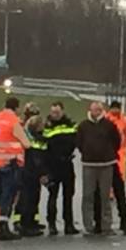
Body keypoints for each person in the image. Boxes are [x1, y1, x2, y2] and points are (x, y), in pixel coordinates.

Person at [0, 96, 30, 241]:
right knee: (9, 195)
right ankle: (4, 226)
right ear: (16, 107)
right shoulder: (13, 121)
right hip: (10, 163)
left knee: (0, 195)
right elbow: (27, 143)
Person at [76, 101, 120, 236]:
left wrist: (108, 152)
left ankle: (106, 225)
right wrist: (86, 152)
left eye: (99, 110)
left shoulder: (109, 125)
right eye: (94, 110)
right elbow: (79, 142)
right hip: (89, 164)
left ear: (102, 111)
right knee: (88, 195)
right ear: (90, 110)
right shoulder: (83, 126)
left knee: (105, 196)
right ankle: (88, 225)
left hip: (106, 164)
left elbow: (116, 141)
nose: (96, 113)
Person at [44, 101, 80, 236]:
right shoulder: (47, 126)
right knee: (52, 195)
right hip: (52, 165)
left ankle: (68, 224)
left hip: (67, 164)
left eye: (57, 112)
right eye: (53, 112)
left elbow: (77, 139)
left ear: (62, 111)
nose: (55, 115)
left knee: (68, 195)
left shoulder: (70, 124)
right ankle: (52, 224)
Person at [18, 115, 50, 237]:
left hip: (32, 172)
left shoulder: (36, 137)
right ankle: (26, 225)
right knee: (28, 199)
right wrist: (42, 173)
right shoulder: (34, 139)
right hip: (30, 173)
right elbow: (37, 159)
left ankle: (31, 222)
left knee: (34, 198)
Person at [105, 100, 126, 234]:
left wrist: (125, 146)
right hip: (108, 153)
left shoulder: (124, 120)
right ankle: (109, 193)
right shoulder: (106, 119)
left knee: (120, 176)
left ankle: (115, 194)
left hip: (120, 152)